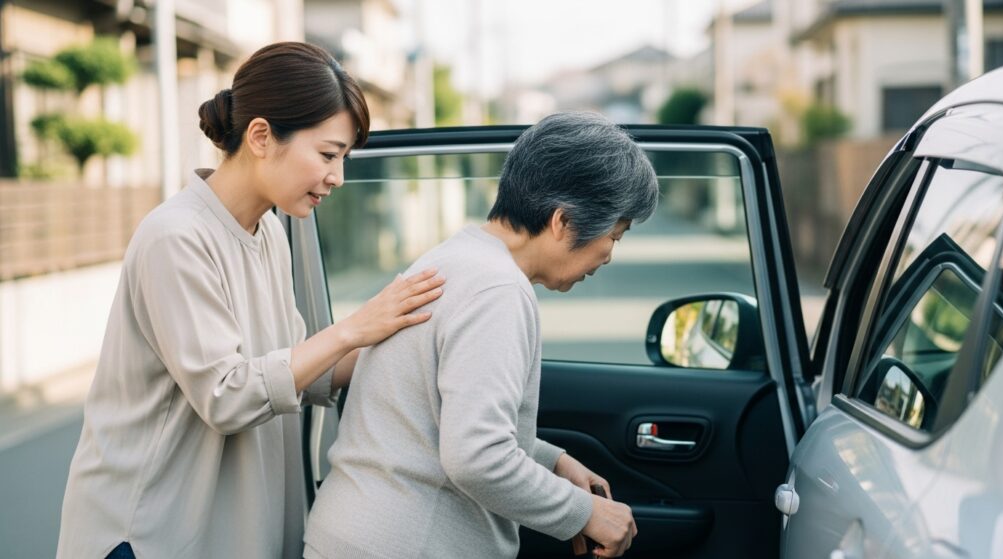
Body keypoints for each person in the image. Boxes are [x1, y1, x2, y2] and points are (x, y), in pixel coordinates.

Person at [56, 42, 444, 559]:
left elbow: (298, 366)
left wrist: (421, 329)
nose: (338, 176)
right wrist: (353, 328)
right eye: (329, 154)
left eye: (343, 158)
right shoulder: (177, 237)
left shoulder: (268, 234)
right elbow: (228, 393)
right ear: (261, 136)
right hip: (152, 534)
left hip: (227, 526)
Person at [304, 112, 659, 559]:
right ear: (563, 222)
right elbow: (477, 458)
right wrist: (583, 512)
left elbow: (433, 418)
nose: (608, 255)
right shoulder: (499, 291)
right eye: (615, 235)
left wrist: (552, 460)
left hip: (355, 531)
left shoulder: (453, 258)